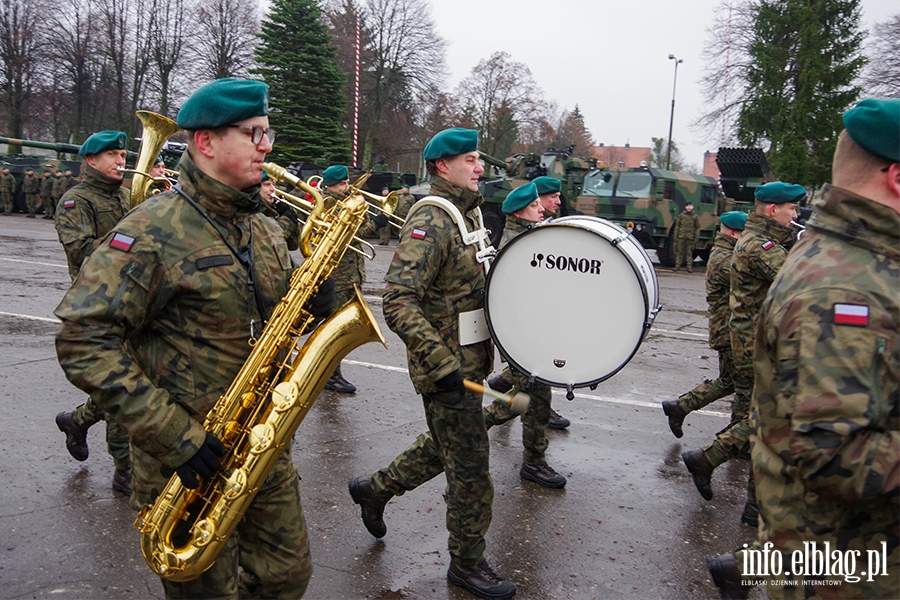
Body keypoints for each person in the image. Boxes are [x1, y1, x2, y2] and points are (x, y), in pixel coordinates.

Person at [54, 78, 322, 599]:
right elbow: (83, 339)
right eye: (254, 133)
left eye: (267, 133)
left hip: (258, 443)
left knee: (287, 577)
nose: (267, 146)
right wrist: (175, 435)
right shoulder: (151, 229)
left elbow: (267, 319)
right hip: (187, 463)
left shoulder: (263, 227)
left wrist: (313, 300)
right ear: (206, 143)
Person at [709, 98, 900, 600]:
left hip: (852, 556)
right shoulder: (840, 288)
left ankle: (751, 561)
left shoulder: (861, 263)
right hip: (846, 566)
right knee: (749, 422)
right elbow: (835, 453)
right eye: (789, 206)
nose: (796, 212)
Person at [349, 128, 516, 599]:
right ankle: (466, 563)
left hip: (469, 361)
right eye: (469, 159)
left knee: (447, 447)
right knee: (470, 470)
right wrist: (440, 363)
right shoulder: (433, 219)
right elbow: (398, 300)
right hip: (445, 369)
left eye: (479, 158)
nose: (480, 166)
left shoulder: (471, 212)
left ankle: (375, 489)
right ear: (442, 166)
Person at [682, 181, 803, 524]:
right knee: (769, 420)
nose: (795, 216)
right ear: (771, 210)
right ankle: (732, 482)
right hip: (756, 344)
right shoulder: (758, 245)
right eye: (791, 209)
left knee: (766, 419)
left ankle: (714, 465)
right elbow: (797, 281)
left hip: (761, 340)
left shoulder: (763, 241)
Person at [53, 130, 133, 496]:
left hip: (135, 300)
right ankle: (125, 470)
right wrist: (132, 238)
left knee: (136, 381)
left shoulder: (129, 196)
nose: (122, 161)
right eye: (114, 155)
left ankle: (77, 420)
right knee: (124, 384)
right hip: (100, 306)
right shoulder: (75, 201)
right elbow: (80, 250)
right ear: (91, 161)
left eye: (123, 154)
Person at [488, 175, 571, 430]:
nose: (555, 202)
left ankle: (506, 389)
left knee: (534, 392)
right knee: (532, 394)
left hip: (531, 328)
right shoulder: (519, 245)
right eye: (549, 199)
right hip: (521, 331)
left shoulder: (533, 234)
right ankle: (471, 429)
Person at [662, 211, 747, 438]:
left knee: (730, 382)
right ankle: (735, 438)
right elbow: (748, 278)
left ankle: (680, 407)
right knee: (741, 387)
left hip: (729, 329)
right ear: (732, 233)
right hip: (728, 330)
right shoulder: (723, 258)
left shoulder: (728, 253)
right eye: (744, 233)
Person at [320, 164, 388, 394]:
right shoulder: (329, 205)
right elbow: (349, 237)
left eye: (347, 182)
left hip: (350, 275)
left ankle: (331, 373)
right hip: (338, 276)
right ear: (330, 185)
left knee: (342, 329)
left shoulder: (345, 202)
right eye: (342, 184)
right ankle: (330, 375)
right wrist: (376, 224)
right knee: (335, 328)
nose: (346, 187)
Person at [673, 201, 701, 271]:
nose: (689, 207)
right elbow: (677, 226)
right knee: (679, 252)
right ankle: (677, 266)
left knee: (689, 253)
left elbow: (697, 228)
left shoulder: (695, 217)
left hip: (690, 237)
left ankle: (689, 267)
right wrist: (676, 237)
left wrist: (695, 238)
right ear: (685, 207)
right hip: (681, 236)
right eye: (688, 206)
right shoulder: (681, 216)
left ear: (692, 207)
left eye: (690, 206)